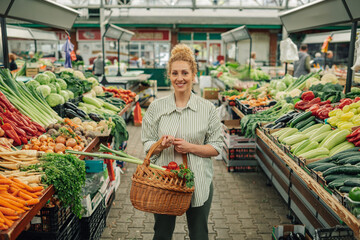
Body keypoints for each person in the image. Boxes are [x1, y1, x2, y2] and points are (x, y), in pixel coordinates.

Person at [141, 44, 222, 240]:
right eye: (175, 73)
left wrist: (190, 147)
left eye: (185, 73)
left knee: (199, 234)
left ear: (194, 75)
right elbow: (146, 142)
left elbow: (216, 147)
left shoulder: (208, 109)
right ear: (169, 75)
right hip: (164, 183)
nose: (180, 78)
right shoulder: (156, 107)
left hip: (199, 182)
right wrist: (159, 145)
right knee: (161, 234)